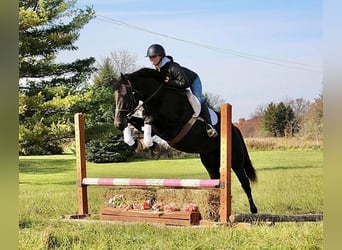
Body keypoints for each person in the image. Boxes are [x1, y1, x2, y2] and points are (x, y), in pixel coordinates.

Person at [146, 44, 218, 137]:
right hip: (177, 85)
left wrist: (170, 82)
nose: (151, 59)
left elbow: (185, 83)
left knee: (199, 99)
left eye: (153, 57)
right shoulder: (156, 70)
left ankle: (209, 125)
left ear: (161, 56)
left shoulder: (173, 67)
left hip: (192, 80)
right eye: (150, 57)